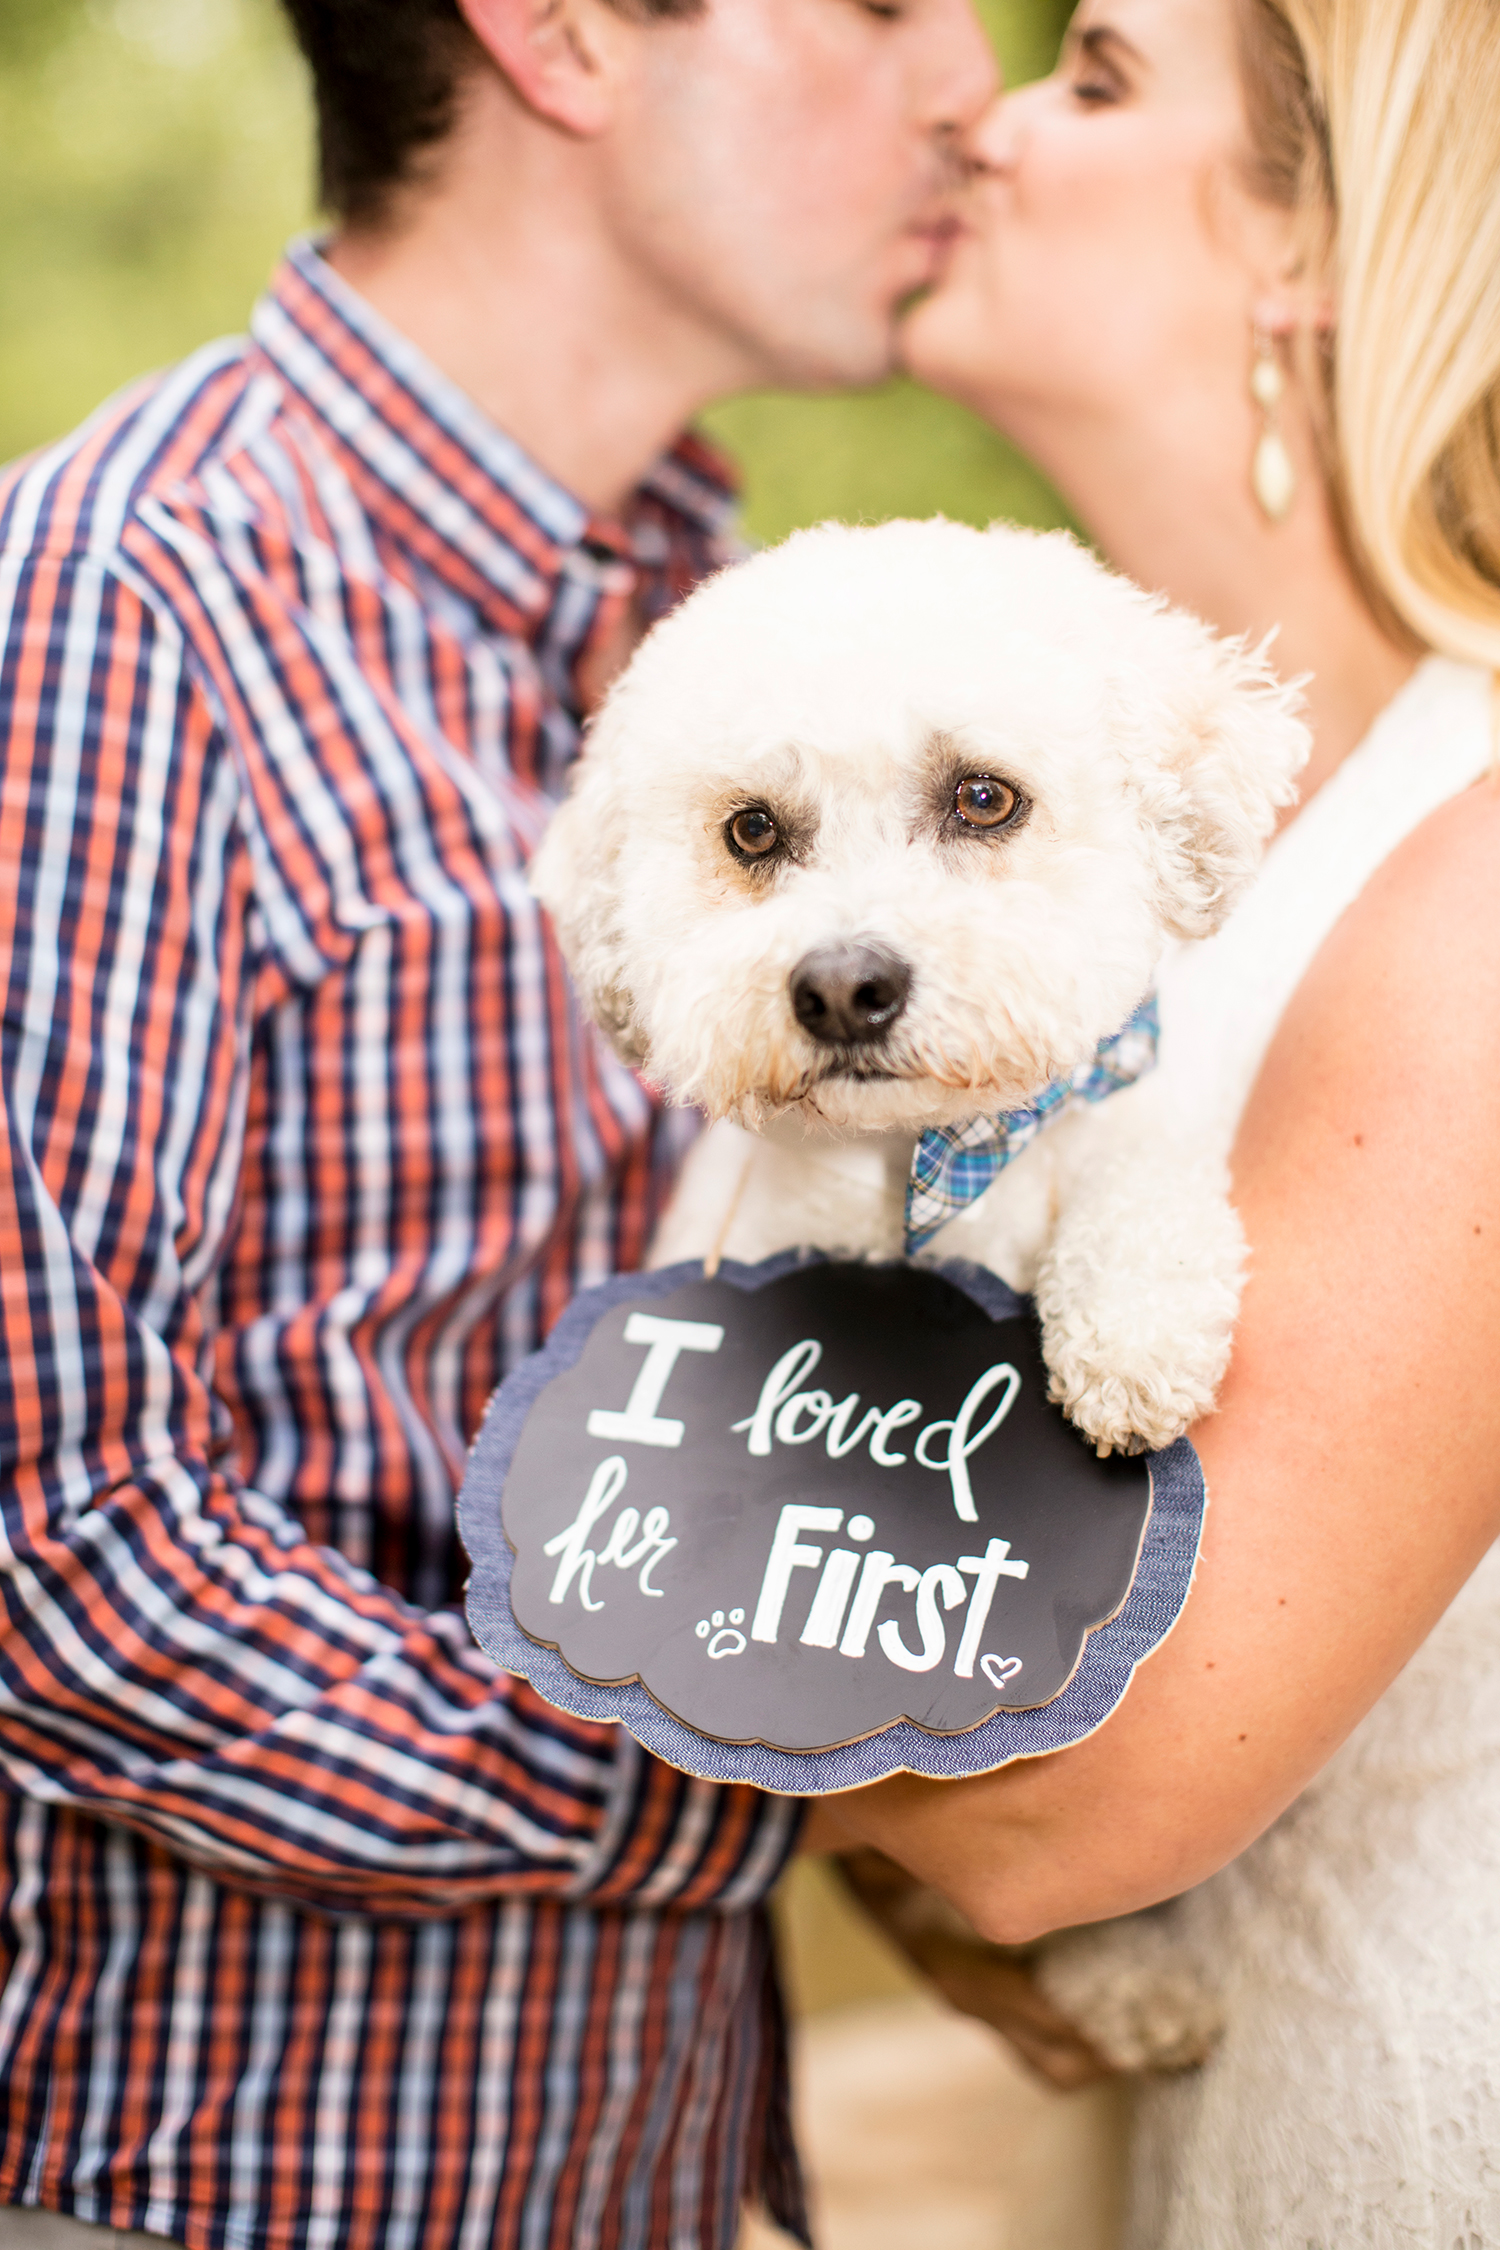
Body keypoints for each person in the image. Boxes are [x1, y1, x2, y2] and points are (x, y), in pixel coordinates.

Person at [0, 2, 996, 2245]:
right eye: (875, 4)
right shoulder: (128, 606)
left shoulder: (712, 611)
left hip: (647, 2167)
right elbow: (46, 1537)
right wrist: (728, 1785)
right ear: (558, 35)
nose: (967, 80)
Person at [803, 0, 1500, 2237]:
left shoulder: (1479, 871)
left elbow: (1079, 1781)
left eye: (1093, 75)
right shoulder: (1072, 872)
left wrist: (524, 1657)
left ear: (1310, 238)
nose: (982, 123)